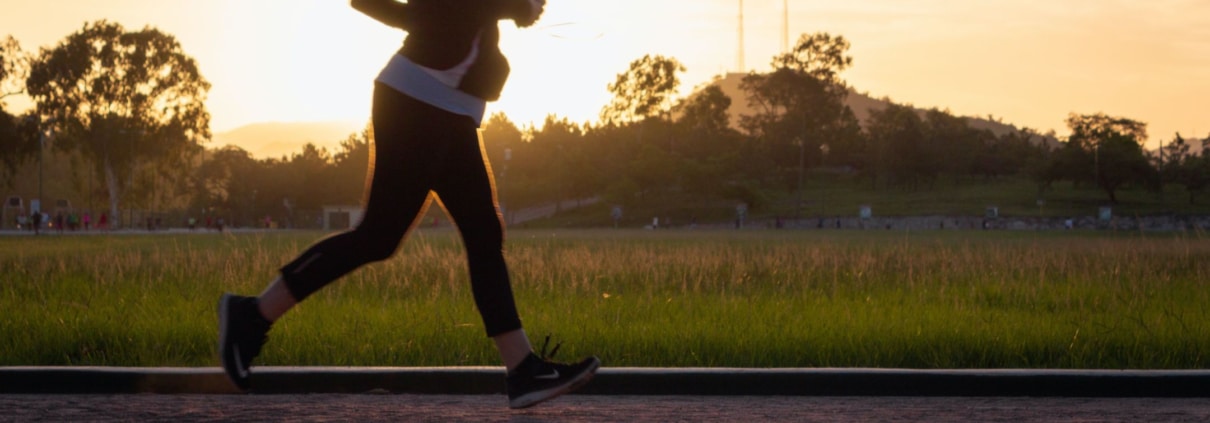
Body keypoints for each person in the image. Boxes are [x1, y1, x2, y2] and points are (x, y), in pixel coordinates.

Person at [217, 0, 598, 410]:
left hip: (451, 109)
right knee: (379, 236)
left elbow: (427, 12)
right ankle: (251, 315)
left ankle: (523, 369)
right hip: (417, 102)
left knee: (482, 231)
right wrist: (515, 6)